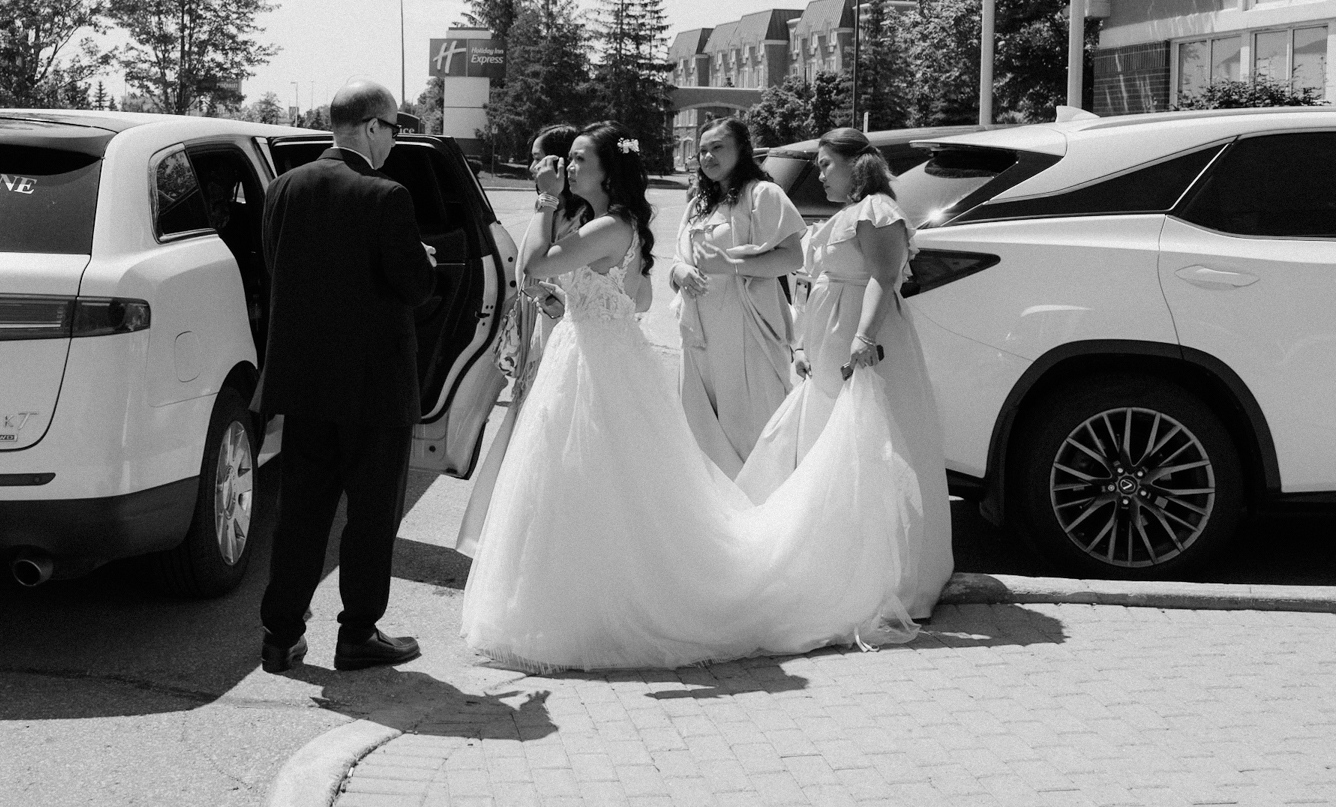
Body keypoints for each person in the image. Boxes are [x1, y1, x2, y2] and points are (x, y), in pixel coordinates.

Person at [461, 123, 922, 672]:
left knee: (604, 474)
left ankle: (611, 603)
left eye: (580, 159)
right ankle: (573, 594)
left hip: (639, 350)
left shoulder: (616, 223)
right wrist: (573, 298)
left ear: (608, 171)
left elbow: (534, 265)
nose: (568, 168)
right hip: (593, 350)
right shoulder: (610, 221)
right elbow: (628, 294)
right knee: (579, 476)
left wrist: (543, 201)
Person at [256, 80, 438, 674]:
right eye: (394, 128)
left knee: (301, 515)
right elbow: (414, 286)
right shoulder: (386, 196)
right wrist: (424, 259)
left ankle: (280, 635)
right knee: (370, 516)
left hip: (304, 385)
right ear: (368, 127)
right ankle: (358, 632)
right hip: (373, 389)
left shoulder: (282, 188)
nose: (396, 140)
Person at [735, 127, 954, 619]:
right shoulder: (845, 216)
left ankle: (883, 574)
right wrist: (802, 342)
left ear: (855, 165)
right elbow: (813, 285)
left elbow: (883, 277)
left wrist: (863, 338)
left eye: (826, 164)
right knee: (828, 448)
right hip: (827, 345)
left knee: (870, 448)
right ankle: (832, 560)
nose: (819, 172)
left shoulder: (877, 211)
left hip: (863, 343)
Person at [454, 124, 586, 558]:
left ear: (562, 164)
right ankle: (523, 543)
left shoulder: (588, 218)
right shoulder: (547, 211)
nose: (532, 167)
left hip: (573, 341)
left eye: (539, 158)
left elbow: (596, 288)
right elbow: (525, 272)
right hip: (539, 341)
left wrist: (556, 301)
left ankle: (556, 545)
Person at [669, 119, 806, 473]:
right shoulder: (699, 203)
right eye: (702, 150)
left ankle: (759, 507)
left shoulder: (762, 194)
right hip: (700, 333)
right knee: (702, 425)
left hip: (745, 330)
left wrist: (730, 264)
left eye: (717, 147)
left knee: (749, 426)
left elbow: (792, 256)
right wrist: (678, 272)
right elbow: (678, 256)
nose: (708, 156)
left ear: (741, 150)